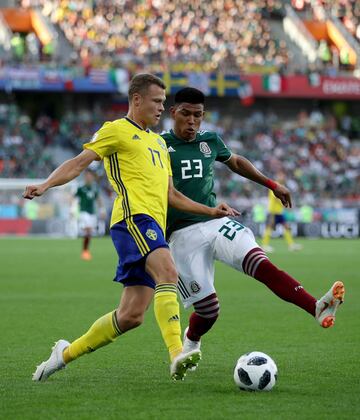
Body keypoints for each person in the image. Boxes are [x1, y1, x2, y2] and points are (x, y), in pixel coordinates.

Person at [23, 74, 237, 382]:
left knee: (131, 315)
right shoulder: (116, 131)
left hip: (153, 227)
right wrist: (47, 184)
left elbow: (172, 196)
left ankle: (64, 354)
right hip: (132, 219)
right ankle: (178, 353)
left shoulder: (159, 144)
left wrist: (211, 211)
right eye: (157, 101)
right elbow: (80, 161)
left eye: (164, 103)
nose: (163, 108)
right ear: (136, 100)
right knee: (169, 273)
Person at [161, 87, 345, 366]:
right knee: (209, 311)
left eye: (198, 115)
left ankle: (315, 307)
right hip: (181, 235)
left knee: (260, 263)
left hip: (216, 222)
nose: (192, 121)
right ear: (173, 112)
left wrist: (271, 184)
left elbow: (235, 162)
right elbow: (168, 194)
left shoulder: (209, 141)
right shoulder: (159, 145)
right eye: (186, 114)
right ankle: (192, 337)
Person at [262, 171, 303, 253]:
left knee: (286, 227)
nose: (283, 178)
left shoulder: (280, 186)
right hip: (273, 211)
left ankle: (291, 245)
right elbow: (276, 198)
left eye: (283, 176)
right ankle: (264, 245)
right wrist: (285, 203)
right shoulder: (274, 186)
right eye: (281, 176)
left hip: (279, 212)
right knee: (269, 228)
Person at [74, 169, 104, 260]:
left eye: (90, 176)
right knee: (88, 230)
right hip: (83, 212)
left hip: (92, 213)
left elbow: (99, 199)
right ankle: (85, 251)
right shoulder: (80, 188)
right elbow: (73, 197)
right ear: (84, 177)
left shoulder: (95, 188)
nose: (88, 177)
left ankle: (85, 250)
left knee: (89, 233)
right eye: (87, 175)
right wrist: (72, 208)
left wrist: (102, 210)